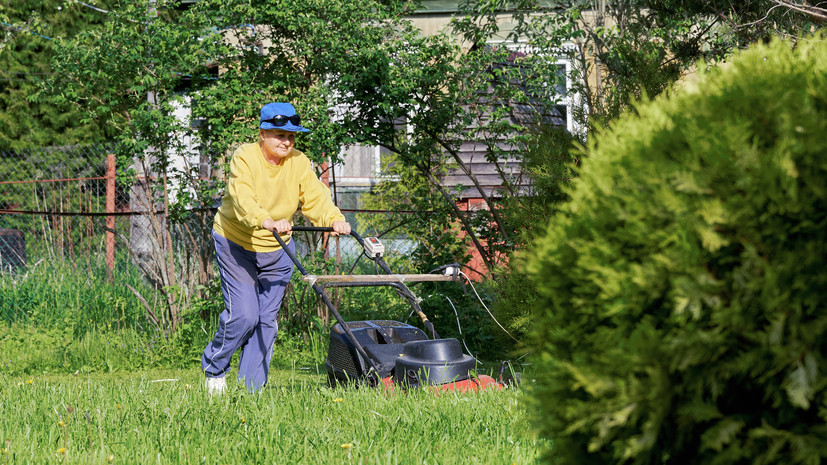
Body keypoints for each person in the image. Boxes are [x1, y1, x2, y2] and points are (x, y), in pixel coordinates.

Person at [202, 102, 350, 394]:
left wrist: (335, 219)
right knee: (244, 315)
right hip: (237, 242)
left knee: (266, 321)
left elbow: (315, 198)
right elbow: (241, 195)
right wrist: (264, 219)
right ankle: (215, 368)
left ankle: (251, 390)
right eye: (280, 135)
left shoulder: (298, 162)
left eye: (291, 136)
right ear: (263, 133)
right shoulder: (245, 157)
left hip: (278, 248)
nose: (287, 141)